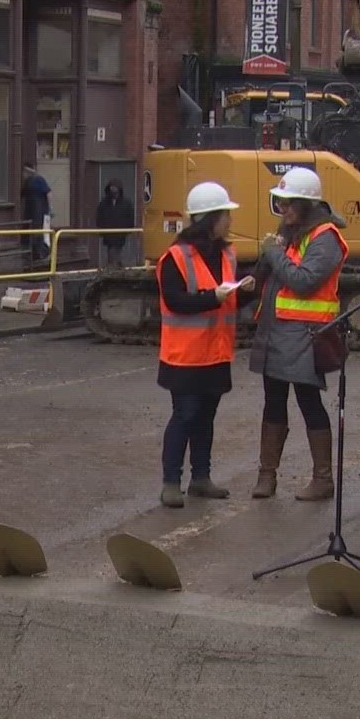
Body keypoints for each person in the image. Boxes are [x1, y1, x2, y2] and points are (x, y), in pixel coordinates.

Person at [247, 166, 349, 501]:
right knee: (273, 402)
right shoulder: (293, 233)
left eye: (289, 204)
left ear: (307, 205)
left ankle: (323, 479)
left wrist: (273, 253)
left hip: (305, 336)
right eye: (280, 203)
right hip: (276, 333)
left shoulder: (325, 237)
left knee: (309, 402)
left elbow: (304, 281)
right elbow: (275, 278)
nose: (283, 210)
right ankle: (267, 475)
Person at [156, 181, 253, 508]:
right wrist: (213, 297)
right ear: (209, 218)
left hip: (215, 353)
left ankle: (200, 477)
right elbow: (174, 301)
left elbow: (229, 300)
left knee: (205, 417)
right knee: (185, 415)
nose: (230, 220)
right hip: (185, 357)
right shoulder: (175, 257)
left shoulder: (226, 253)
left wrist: (246, 290)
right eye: (226, 214)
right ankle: (171, 482)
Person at [95, 180, 135, 267]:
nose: (114, 193)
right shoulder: (104, 203)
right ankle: (114, 265)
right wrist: (101, 229)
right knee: (111, 249)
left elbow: (130, 217)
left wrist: (128, 229)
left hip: (120, 233)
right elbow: (99, 217)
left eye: (116, 191)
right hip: (108, 233)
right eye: (112, 190)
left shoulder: (126, 203)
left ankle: (115, 265)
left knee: (116, 249)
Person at [19, 165, 51, 262]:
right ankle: (35, 253)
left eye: (24, 173)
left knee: (40, 233)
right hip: (32, 212)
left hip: (40, 212)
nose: (23, 175)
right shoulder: (28, 183)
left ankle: (41, 253)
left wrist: (50, 208)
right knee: (34, 232)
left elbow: (48, 193)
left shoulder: (38, 180)